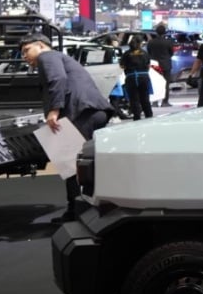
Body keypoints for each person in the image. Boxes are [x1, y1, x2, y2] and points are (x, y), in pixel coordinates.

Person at [19, 33, 114, 222]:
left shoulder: (47, 56)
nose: (24, 56)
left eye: (26, 50)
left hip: (82, 112)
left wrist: (54, 110)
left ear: (41, 45)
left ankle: (78, 213)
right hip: (89, 111)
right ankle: (82, 210)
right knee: (80, 164)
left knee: (71, 164)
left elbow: (58, 79)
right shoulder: (58, 57)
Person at [120, 34, 154, 120]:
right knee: (145, 99)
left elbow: (122, 66)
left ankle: (137, 118)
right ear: (140, 43)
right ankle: (149, 116)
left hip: (131, 78)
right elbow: (148, 65)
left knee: (134, 100)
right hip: (144, 77)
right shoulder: (145, 53)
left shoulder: (126, 54)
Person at [146, 23, 175, 107]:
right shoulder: (168, 42)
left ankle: (155, 102)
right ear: (165, 32)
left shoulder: (151, 42)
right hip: (166, 64)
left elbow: (149, 53)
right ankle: (165, 102)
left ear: (156, 32)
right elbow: (171, 53)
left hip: (154, 65)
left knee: (155, 83)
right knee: (166, 83)